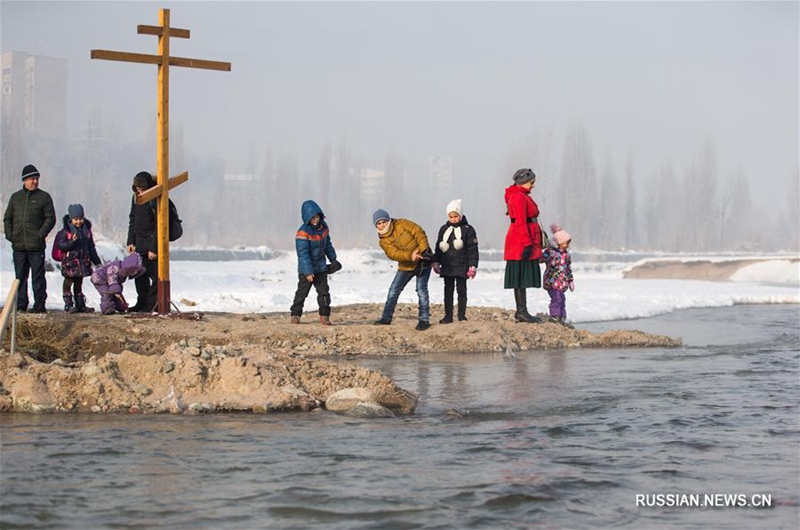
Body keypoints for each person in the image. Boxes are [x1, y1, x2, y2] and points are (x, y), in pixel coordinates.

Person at [3, 164, 56, 313]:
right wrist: (10, 235)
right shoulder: (15, 198)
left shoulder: (44, 197)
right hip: (18, 246)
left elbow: (50, 218)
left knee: (38, 276)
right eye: (32, 179)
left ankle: (39, 304)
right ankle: (21, 304)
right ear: (24, 180)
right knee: (20, 277)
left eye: (37, 179)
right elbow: (7, 218)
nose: (35, 181)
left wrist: (40, 234)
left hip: (36, 246)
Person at [372, 209, 433, 331]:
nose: (382, 225)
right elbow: (393, 254)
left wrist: (424, 251)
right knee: (394, 290)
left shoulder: (402, 223)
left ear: (388, 220)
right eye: (379, 223)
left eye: (384, 221)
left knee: (421, 289)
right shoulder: (383, 241)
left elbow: (418, 232)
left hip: (423, 261)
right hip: (406, 265)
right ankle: (386, 318)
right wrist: (410, 256)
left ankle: (424, 320)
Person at [290, 200, 341, 325]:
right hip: (306, 270)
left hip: (321, 268)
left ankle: (325, 316)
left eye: (317, 216)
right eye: (312, 217)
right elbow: (303, 255)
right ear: (306, 218)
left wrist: (333, 259)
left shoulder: (323, 228)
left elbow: (328, 245)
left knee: (324, 293)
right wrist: (308, 271)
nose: (315, 220)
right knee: (301, 294)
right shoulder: (302, 232)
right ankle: (295, 315)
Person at [503, 168, 544, 323]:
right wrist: (527, 244)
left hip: (522, 240)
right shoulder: (519, 197)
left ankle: (522, 311)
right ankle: (521, 311)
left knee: (520, 278)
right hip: (521, 241)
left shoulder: (520, 196)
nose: (533, 186)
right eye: (532, 182)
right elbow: (520, 222)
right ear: (524, 182)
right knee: (520, 278)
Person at [432, 199, 479, 323]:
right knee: (448, 291)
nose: (453, 219)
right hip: (448, 266)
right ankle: (448, 316)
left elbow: (473, 249)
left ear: (461, 215)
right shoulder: (443, 229)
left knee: (461, 291)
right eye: (451, 216)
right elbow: (438, 247)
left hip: (462, 265)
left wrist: (472, 266)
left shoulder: (468, 229)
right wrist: (436, 262)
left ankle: (461, 315)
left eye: (456, 216)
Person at [53, 204, 102, 313]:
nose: (78, 222)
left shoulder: (86, 231)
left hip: (82, 262)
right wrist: (72, 241)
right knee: (68, 282)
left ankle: (80, 304)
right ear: (71, 219)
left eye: (80, 219)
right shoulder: (65, 232)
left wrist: (97, 262)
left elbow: (91, 247)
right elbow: (61, 245)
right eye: (76, 219)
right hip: (70, 262)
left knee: (79, 283)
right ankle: (68, 304)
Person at [126, 171, 158, 313]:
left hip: (151, 244)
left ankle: (152, 304)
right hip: (139, 244)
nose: (140, 192)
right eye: (137, 189)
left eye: (142, 189)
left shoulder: (155, 199)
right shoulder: (135, 199)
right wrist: (130, 241)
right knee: (140, 277)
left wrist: (154, 248)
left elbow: (159, 225)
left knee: (156, 277)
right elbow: (132, 220)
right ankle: (142, 303)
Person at [541, 223, 575, 328]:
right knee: (556, 299)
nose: (567, 246)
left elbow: (568, 268)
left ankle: (562, 317)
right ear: (559, 242)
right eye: (566, 243)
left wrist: (570, 280)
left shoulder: (566, 255)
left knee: (562, 299)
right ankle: (555, 315)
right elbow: (541, 259)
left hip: (562, 282)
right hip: (552, 281)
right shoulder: (550, 252)